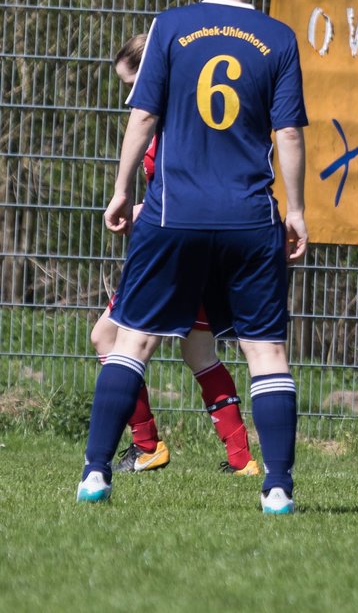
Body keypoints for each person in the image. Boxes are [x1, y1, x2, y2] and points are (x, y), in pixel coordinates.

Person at [77, 0, 309, 515]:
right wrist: (299, 210)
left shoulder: (171, 27)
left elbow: (144, 116)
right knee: (266, 354)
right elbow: (287, 132)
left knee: (133, 341)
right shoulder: (279, 39)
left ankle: (97, 473)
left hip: (173, 213)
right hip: (249, 217)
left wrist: (121, 188)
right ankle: (276, 486)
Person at [87, 34, 259, 476]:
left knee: (108, 338)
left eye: (133, 85)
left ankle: (146, 447)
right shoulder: (184, 116)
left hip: (168, 248)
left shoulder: (169, 125)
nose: (131, 98)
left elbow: (182, 189)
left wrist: (138, 208)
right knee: (199, 351)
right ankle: (241, 460)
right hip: (196, 247)